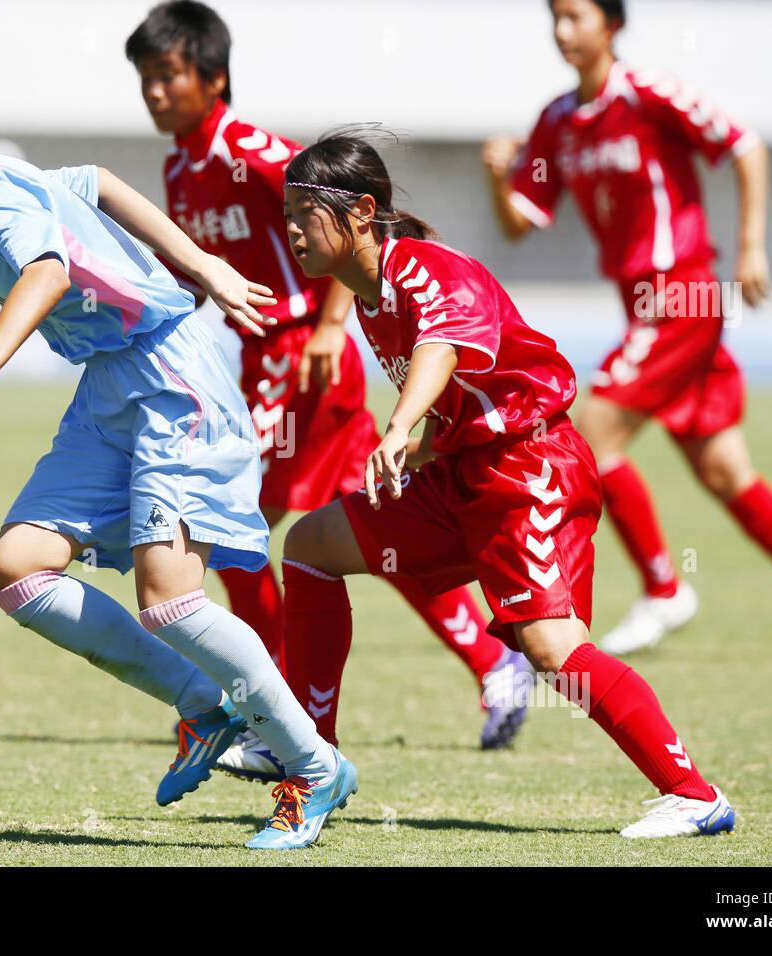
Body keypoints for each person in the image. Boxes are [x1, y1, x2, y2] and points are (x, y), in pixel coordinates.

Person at [0, 46, 355, 849]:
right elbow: (98, 183)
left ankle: (313, 767)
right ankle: (204, 707)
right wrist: (201, 260)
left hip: (172, 374)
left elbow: (48, 273)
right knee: (16, 569)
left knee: (170, 599)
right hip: (111, 384)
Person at [279, 127, 736, 837]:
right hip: (462, 474)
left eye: (303, 213)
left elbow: (441, 347)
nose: (292, 230)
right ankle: (316, 765)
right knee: (310, 546)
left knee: (554, 652)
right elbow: (461, 390)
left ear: (361, 213)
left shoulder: (423, 268)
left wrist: (397, 430)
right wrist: (421, 450)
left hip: (530, 469)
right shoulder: (368, 295)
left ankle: (694, 795)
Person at [125, 1, 532, 775]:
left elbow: (341, 216)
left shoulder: (245, 148)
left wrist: (328, 324)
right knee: (367, 530)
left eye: (167, 74)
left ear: (212, 78)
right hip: (262, 364)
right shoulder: (182, 165)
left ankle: (268, 710)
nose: (153, 92)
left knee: (235, 530)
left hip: (303, 362)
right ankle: (489, 662)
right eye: (144, 78)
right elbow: (204, 271)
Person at [483, 0, 772, 662]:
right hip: (642, 305)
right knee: (725, 471)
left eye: (577, 15)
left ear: (613, 24)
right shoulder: (556, 121)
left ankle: (664, 589)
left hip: (684, 292)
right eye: (555, 17)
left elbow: (745, 146)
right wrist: (497, 177)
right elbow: (521, 221)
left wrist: (751, 247)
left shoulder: (648, 93)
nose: (562, 30)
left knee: (586, 436)